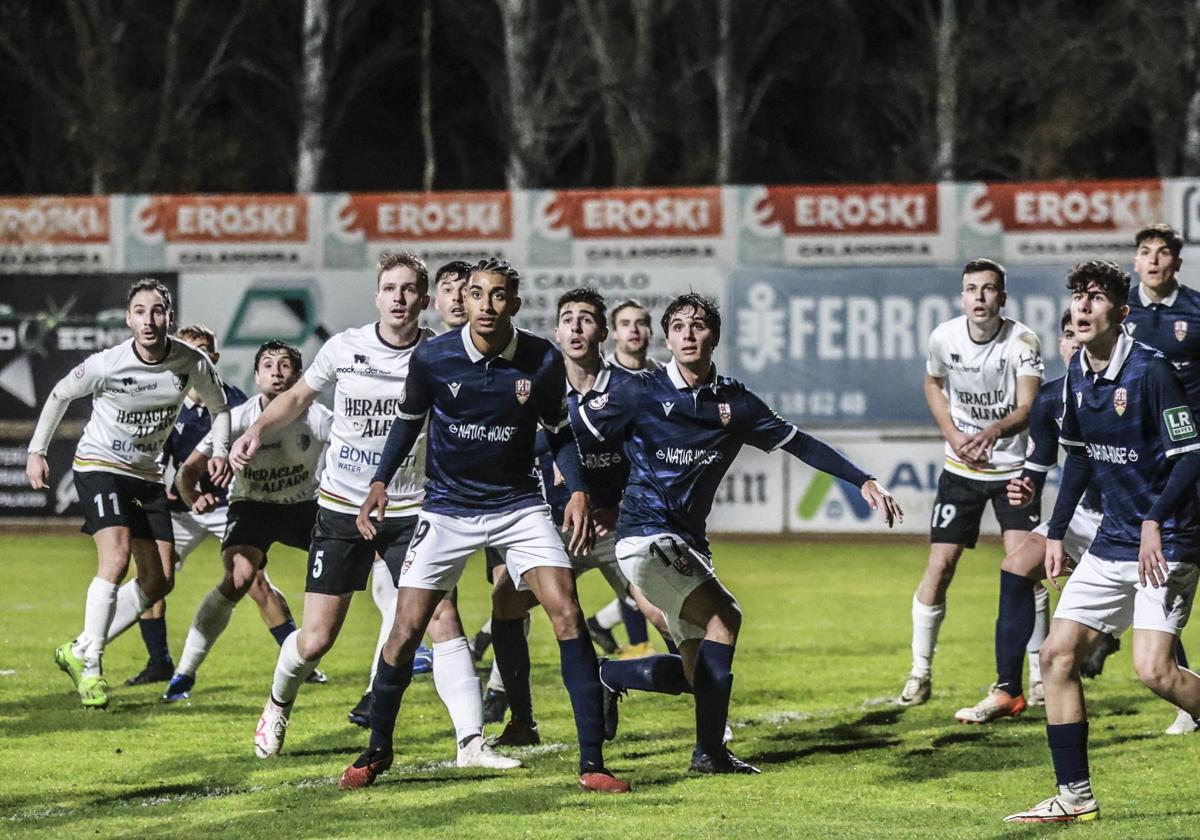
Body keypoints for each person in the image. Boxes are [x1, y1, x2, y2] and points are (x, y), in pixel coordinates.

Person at [576, 293, 902, 773]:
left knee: (698, 672)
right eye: (680, 326)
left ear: (715, 336)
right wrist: (588, 494)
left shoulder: (735, 402)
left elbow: (800, 443)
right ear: (668, 337)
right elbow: (573, 430)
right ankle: (710, 754)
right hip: (644, 535)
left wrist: (864, 480)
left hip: (687, 543)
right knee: (724, 617)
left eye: (700, 325)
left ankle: (612, 674)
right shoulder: (638, 391)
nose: (689, 334)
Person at [342, 258, 629, 793]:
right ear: (464, 301)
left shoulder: (541, 359)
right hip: (447, 509)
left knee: (566, 609)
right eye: (478, 294)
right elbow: (407, 423)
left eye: (500, 296)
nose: (487, 305)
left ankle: (593, 764)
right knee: (405, 631)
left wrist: (579, 489)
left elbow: (560, 432)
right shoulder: (433, 357)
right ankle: (377, 748)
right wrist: (380, 483)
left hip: (519, 506)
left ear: (514, 305)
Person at [237, 252, 512, 771]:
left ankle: (471, 743)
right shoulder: (346, 348)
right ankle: (277, 703)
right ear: (377, 296)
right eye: (390, 288)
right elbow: (296, 398)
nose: (399, 297)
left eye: (410, 289)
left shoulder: (442, 354)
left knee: (442, 616)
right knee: (317, 639)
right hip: (342, 506)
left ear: (425, 300)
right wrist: (254, 431)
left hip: (414, 511)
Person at [1005, 260, 1200, 824]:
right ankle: (1075, 796)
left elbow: (1189, 456)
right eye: (1077, 298)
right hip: (1113, 540)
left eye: (1095, 297)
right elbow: (1082, 460)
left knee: (1155, 672)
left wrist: (1153, 522)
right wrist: (1057, 531)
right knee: (1055, 656)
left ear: (1122, 311)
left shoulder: (1153, 371)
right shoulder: (1075, 384)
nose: (1082, 307)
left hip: (1168, 541)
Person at [26, 278, 230, 709]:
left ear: (169, 317)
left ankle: (79, 647)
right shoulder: (108, 362)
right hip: (100, 466)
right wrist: (36, 451)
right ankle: (93, 666)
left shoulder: (189, 361)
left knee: (160, 581)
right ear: (128, 318)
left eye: (157, 311)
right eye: (140, 311)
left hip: (146, 477)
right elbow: (61, 392)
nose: (149, 320)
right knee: (116, 559)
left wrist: (223, 450)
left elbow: (219, 407)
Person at [486, 288, 673, 744]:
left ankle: (712, 723)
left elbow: (654, 458)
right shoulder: (535, 389)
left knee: (665, 614)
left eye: (586, 319)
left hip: (615, 526)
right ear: (555, 331)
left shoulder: (629, 390)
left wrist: (618, 505)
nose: (575, 327)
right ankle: (521, 720)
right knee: (506, 603)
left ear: (602, 333)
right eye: (567, 318)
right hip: (554, 529)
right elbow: (513, 447)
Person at [899, 259, 1044, 706]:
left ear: (1003, 297)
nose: (979, 298)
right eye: (971, 289)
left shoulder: (1022, 341)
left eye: (988, 290)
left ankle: (1038, 675)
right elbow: (932, 384)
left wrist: (991, 432)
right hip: (961, 468)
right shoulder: (944, 337)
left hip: (1011, 469)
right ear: (961, 297)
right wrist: (955, 435)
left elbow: (1028, 407)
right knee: (940, 567)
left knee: (1026, 572)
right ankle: (920, 672)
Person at [1079, 224, 1200, 735]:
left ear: (1176, 261)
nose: (1153, 260)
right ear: (1135, 261)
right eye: (1144, 252)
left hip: (1187, 456)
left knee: (1171, 557)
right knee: (1153, 565)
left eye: (1163, 252)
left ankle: (1132, 646)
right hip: (1138, 464)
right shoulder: (1114, 328)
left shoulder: (1194, 312)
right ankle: (1175, 686)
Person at [161, 340, 331, 700]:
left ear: (299, 377)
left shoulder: (317, 418)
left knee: (372, 555)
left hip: (304, 506)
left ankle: (408, 652)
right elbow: (186, 472)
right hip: (252, 506)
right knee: (239, 576)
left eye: (286, 365)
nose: (277, 371)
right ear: (256, 377)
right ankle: (184, 674)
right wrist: (193, 497)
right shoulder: (237, 418)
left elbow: (355, 456)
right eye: (268, 365)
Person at [954, 311, 1085, 723]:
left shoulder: (1131, 388)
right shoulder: (1050, 398)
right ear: (1060, 345)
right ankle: (1008, 690)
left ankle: (1180, 690)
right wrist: (1025, 485)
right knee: (1015, 567)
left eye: (1082, 333)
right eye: (1068, 335)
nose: (1075, 343)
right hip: (1085, 513)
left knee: (1152, 619)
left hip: (1132, 515)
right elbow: (1039, 467)